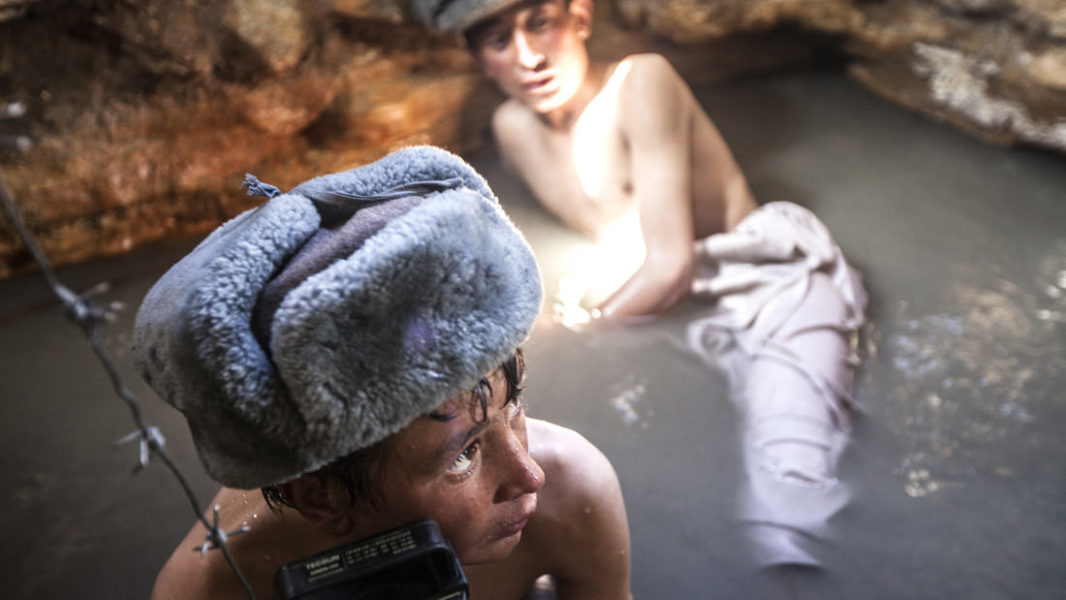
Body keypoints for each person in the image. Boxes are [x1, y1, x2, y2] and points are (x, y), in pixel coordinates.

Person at [414, 0, 868, 566]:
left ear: (580, 17)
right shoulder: (514, 128)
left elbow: (671, 265)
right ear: (481, 60)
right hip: (644, 299)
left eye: (540, 23)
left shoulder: (640, 81)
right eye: (499, 40)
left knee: (788, 491)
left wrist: (575, 332)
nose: (529, 57)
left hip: (762, 279)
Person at [134, 146, 632, 599]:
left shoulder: (572, 491)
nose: (529, 474)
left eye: (514, 402)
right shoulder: (216, 587)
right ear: (322, 500)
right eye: (464, 456)